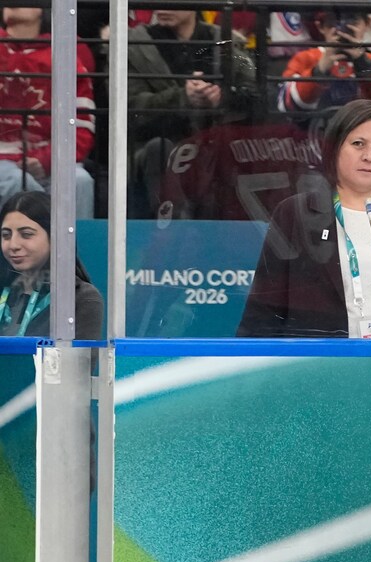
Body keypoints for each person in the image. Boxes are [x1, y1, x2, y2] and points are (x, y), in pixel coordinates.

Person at [237, 100, 371, 338]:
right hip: (322, 365)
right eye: (358, 144)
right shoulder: (295, 213)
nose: (369, 156)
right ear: (335, 148)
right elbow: (264, 312)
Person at [127, 9, 258, 219]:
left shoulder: (224, 41)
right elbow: (129, 107)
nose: (161, 6)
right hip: (156, 146)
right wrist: (182, 97)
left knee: (225, 149)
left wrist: (221, 98)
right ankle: (174, 230)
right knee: (159, 149)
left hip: (212, 144)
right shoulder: (134, 44)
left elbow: (256, 95)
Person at [0, 7, 97, 219]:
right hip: (3, 161)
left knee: (79, 181)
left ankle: (75, 252)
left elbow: (81, 124)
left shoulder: (66, 49)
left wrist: (46, 160)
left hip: (49, 160)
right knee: (15, 180)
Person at [1, 191, 102, 339]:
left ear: (54, 236)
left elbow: (81, 361)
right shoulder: (4, 290)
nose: (13, 245)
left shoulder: (81, 298)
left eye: (27, 234)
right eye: (6, 235)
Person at [278, 10, 371, 113]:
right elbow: (286, 104)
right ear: (321, 26)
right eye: (335, 20)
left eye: (352, 20)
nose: (343, 28)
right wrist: (319, 70)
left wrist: (364, 63)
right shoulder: (305, 59)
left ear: (367, 24)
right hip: (314, 136)